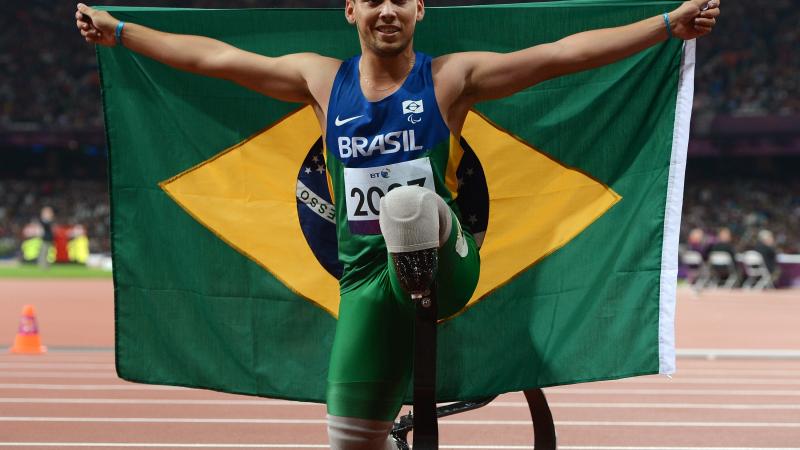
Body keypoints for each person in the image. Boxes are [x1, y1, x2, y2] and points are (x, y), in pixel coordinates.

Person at [75, 1, 720, 448]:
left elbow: (556, 58)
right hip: (361, 283)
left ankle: (419, 266)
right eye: (373, 0)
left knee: (408, 208)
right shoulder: (321, 81)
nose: (388, 11)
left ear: (420, 11)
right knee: (348, 439)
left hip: (445, 260)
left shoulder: (449, 79)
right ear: (350, 11)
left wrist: (666, 26)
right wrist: (122, 33)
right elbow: (213, 59)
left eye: (401, 1)